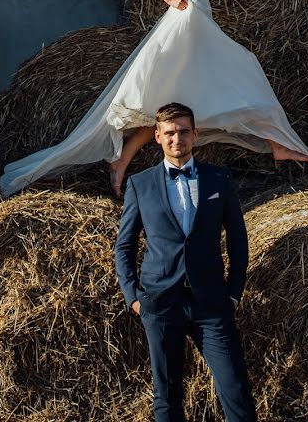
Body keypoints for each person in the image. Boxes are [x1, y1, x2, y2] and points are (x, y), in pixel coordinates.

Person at [0, 0, 308, 198]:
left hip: (198, 23)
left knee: (174, 103)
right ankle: (276, 144)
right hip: (189, 23)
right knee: (243, 67)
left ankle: (121, 160)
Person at [115, 102, 257, 422]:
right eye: (169, 132)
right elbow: (124, 245)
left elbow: (237, 238)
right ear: (157, 136)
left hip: (211, 303)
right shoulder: (141, 184)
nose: (176, 138)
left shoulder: (218, 179)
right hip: (160, 303)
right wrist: (133, 297)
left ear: (195, 134)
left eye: (182, 131)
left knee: (235, 390)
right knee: (167, 396)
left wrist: (234, 292)